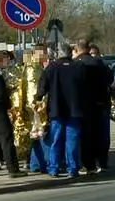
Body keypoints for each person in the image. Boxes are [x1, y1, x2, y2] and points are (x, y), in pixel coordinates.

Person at [35, 41, 85, 177]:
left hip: (56, 109)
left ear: (58, 53)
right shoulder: (78, 67)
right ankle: (72, 168)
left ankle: (53, 168)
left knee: (55, 140)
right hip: (74, 109)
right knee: (72, 140)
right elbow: (85, 87)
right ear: (69, 52)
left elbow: (42, 88)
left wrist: (38, 98)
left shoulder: (52, 67)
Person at [75, 40, 111, 173]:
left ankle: (88, 164)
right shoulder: (100, 63)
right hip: (100, 103)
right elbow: (109, 81)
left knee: (86, 136)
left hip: (84, 105)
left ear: (78, 50)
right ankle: (102, 162)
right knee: (100, 134)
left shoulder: (78, 64)